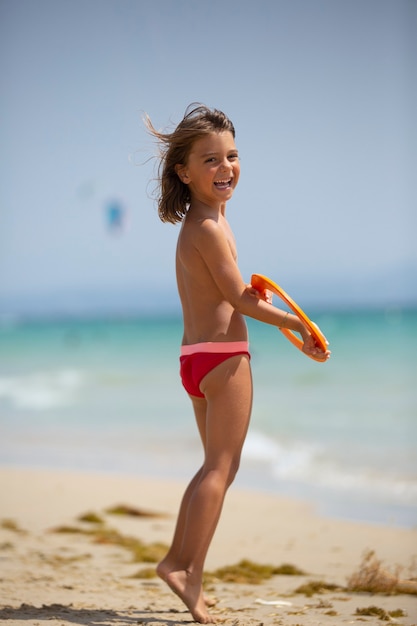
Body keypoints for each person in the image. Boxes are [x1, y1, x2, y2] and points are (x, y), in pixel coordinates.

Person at [145, 104, 330, 623]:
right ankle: (185, 568)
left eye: (232, 155)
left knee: (212, 467)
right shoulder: (207, 227)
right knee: (222, 468)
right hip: (223, 358)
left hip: (194, 357)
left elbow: (226, 293)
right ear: (184, 172)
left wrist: (262, 304)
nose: (225, 166)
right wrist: (300, 325)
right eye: (210, 160)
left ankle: (181, 565)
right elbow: (239, 300)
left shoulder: (202, 225)